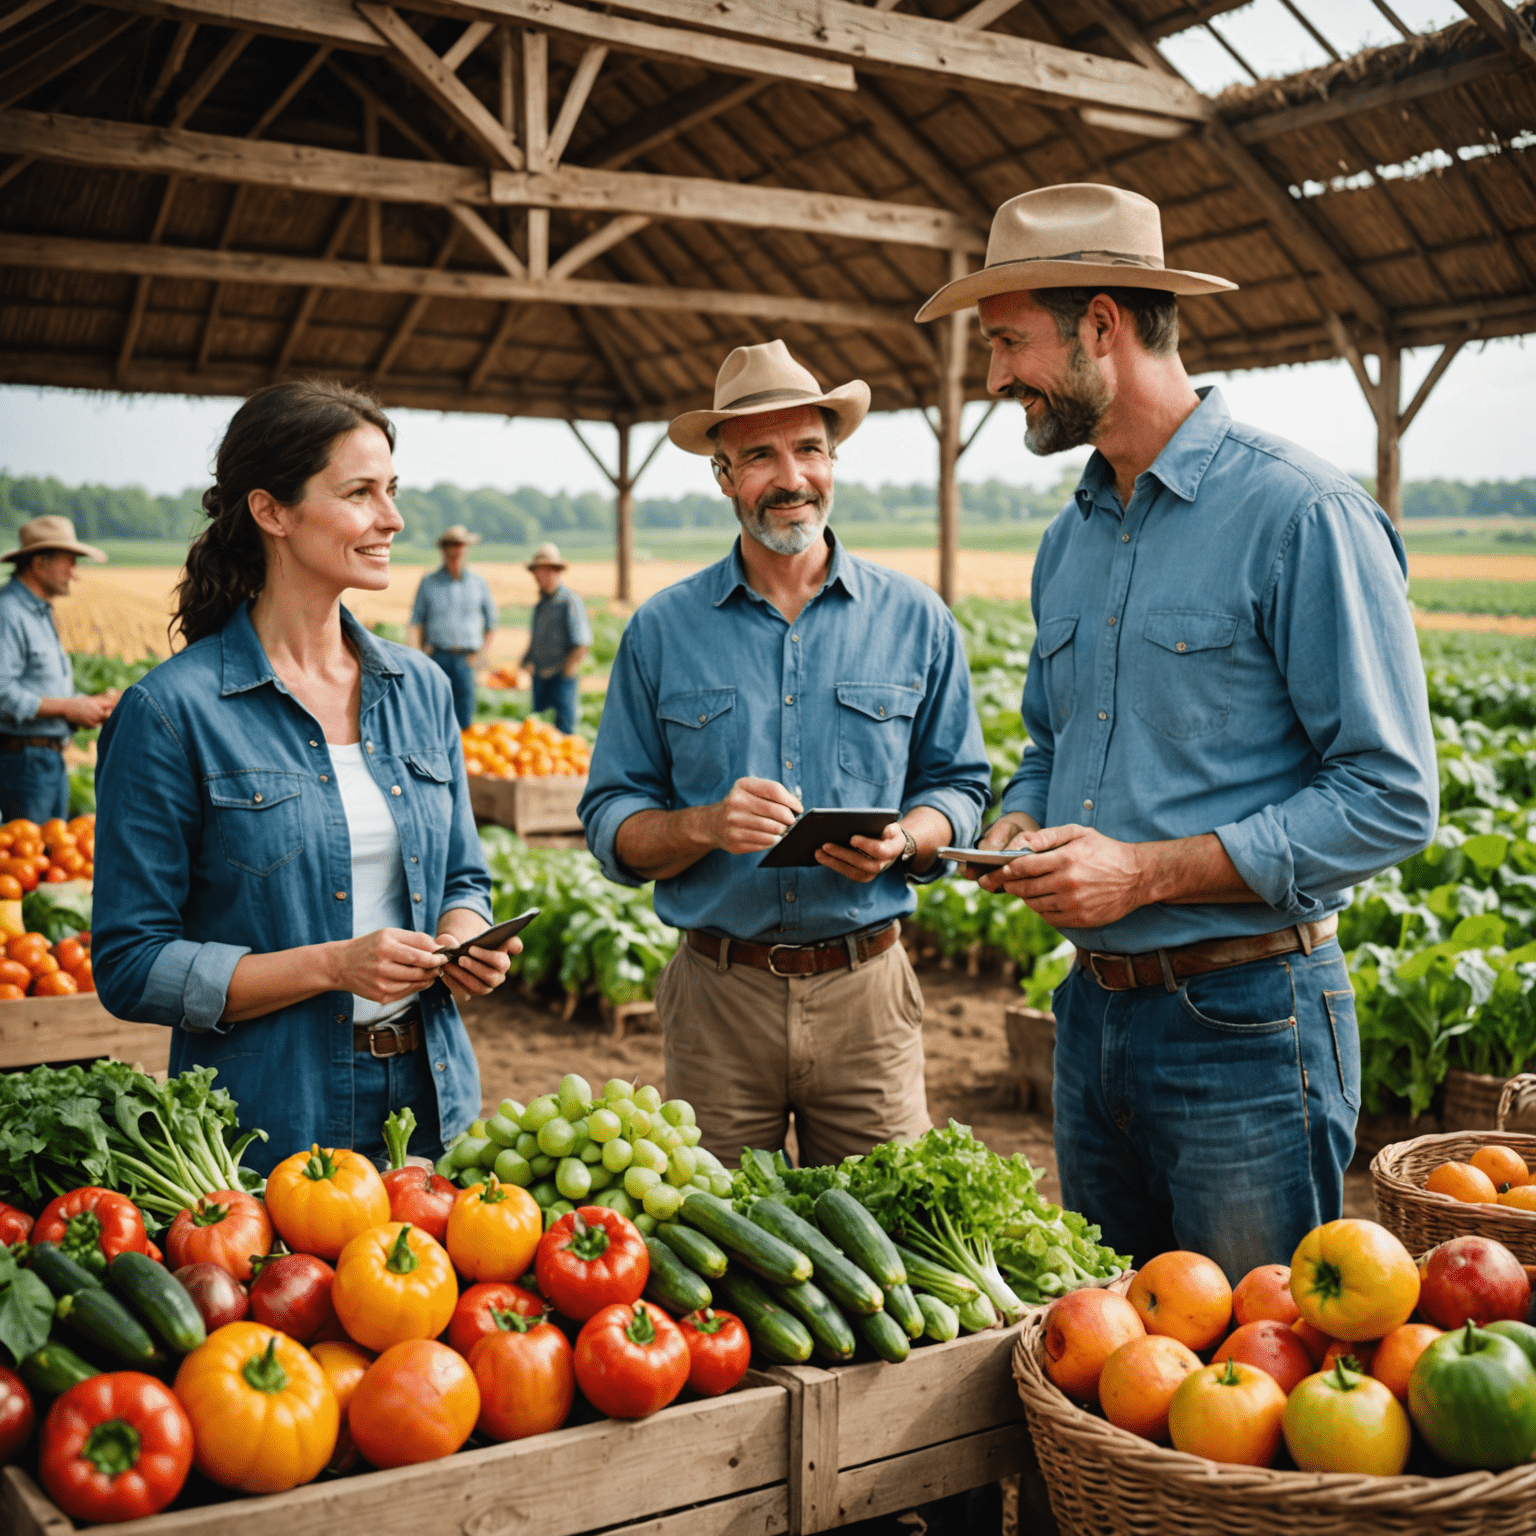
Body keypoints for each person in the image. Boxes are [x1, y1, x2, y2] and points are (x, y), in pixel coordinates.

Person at [916, 185, 1439, 1279]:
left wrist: (1144, 874)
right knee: (1123, 1365)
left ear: (1102, 326)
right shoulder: (1073, 537)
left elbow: (1390, 796)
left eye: (1009, 344)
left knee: (1259, 1375)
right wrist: (1017, 822)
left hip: (1247, 1024)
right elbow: (1053, 745)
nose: (997, 378)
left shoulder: (1300, 514)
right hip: (1092, 1020)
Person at [579, 339, 991, 1168]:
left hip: (868, 994)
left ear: (833, 460)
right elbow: (609, 820)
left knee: (888, 1258)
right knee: (725, 1261)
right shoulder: (663, 631)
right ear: (724, 476)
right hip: (717, 998)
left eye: (809, 449)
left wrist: (907, 840)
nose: (791, 476)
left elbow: (962, 786)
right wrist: (701, 825)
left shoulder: (918, 619)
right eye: (760, 455)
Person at [92, 381, 523, 1172]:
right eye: (359, 493)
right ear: (272, 511)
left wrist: (464, 941)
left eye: (391, 491)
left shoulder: (421, 689)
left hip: (434, 1102)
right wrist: (333, 965)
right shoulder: (170, 712)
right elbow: (129, 964)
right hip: (270, 1122)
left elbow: (463, 877)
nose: (391, 519)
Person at [0, 517, 118, 822]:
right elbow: (2, 692)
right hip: (23, 762)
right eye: (70, 563)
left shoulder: (39, 613)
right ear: (39, 564)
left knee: (55, 858)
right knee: (30, 860)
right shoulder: (8, 613)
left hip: (46, 759)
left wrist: (89, 703)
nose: (74, 574)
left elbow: (43, 689)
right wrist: (69, 708)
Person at [408, 525, 498, 730]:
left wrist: (482, 655)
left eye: (459, 545)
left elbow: (491, 622)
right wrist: (419, 657)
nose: (455, 550)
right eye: (450, 545)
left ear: (466, 548)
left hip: (467, 659)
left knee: (464, 719)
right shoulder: (429, 582)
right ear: (443, 549)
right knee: (435, 715)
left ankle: (462, 759)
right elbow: (416, 622)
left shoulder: (478, 583)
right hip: (437, 655)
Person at [520, 542, 590, 736]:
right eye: (540, 573)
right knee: (541, 733)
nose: (543, 577)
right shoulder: (540, 607)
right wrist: (525, 662)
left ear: (556, 572)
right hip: (540, 678)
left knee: (563, 733)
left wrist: (567, 670)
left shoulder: (569, 602)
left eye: (548, 572)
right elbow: (535, 640)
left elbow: (582, 643)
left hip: (561, 679)